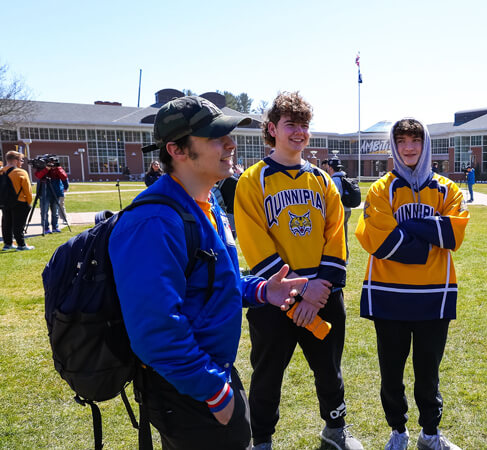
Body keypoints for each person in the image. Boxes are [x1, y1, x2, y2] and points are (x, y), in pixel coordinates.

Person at [108, 95, 307, 449]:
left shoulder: (206, 202)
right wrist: (215, 392)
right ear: (177, 150)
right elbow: (155, 330)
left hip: (210, 372)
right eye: (215, 137)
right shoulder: (154, 221)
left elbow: (210, 281)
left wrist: (261, 290)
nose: (230, 143)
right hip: (187, 385)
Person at [234, 91, 363, 450]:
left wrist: (321, 285)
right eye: (291, 124)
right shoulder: (253, 180)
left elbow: (336, 234)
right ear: (272, 128)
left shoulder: (323, 181)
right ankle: (261, 440)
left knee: (329, 369)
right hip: (275, 296)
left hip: (323, 295)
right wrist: (297, 291)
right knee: (267, 374)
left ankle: (335, 430)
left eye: (304, 125)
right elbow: (253, 240)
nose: (299, 132)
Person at [355, 118, 470, 450]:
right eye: (402, 140)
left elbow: (453, 234)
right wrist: (426, 241)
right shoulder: (381, 189)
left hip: (435, 296)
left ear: (426, 144)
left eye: (415, 140)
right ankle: (398, 430)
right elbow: (378, 241)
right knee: (391, 373)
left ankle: (430, 433)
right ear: (394, 145)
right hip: (388, 296)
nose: (408, 147)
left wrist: (407, 229)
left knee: (428, 373)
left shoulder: (447, 189)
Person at [1, 151, 34, 251]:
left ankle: (7, 244)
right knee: (18, 224)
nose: (22, 162)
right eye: (21, 160)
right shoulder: (20, 172)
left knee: (6, 223)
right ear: (15, 161)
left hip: (4, 202)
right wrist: (29, 202)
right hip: (20, 201)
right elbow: (27, 190)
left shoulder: (1, 171)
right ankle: (21, 245)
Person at [322, 157, 352, 260]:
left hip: (340, 210)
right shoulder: (344, 177)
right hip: (348, 209)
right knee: (344, 233)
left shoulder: (334, 180)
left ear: (330, 168)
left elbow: (335, 198)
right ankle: (345, 256)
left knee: (338, 235)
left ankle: (342, 257)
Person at [35, 159, 68, 234]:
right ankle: (46, 228)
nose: (51, 164)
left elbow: (64, 177)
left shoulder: (57, 169)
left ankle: (55, 227)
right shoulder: (42, 168)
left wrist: (58, 168)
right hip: (44, 192)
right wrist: (46, 169)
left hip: (56, 192)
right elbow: (38, 175)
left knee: (55, 211)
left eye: (53, 162)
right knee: (44, 211)